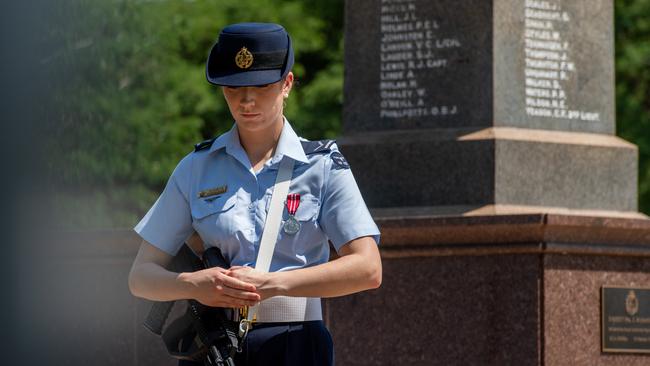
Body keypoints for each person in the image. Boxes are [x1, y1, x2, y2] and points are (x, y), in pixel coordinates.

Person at [128, 22, 381, 366]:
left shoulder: (323, 166)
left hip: (296, 342)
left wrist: (274, 283)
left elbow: (367, 268)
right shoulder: (196, 167)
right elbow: (141, 276)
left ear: (287, 84)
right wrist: (193, 283)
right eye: (233, 88)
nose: (246, 100)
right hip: (215, 345)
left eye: (261, 86)